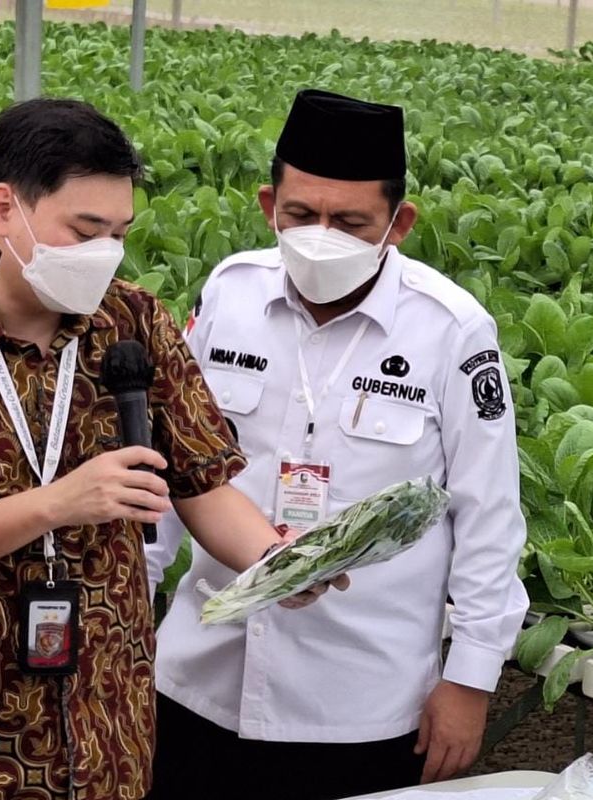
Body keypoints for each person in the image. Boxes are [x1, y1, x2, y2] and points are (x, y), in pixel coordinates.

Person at [0, 98, 343, 800]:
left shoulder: (132, 319)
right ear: (3, 208)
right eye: (85, 230)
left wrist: (278, 563)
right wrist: (60, 504)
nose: (104, 255)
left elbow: (201, 484)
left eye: (118, 234)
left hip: (105, 696)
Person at [145, 89, 530, 800]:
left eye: (351, 223)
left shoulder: (452, 332)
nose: (321, 235)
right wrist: (131, 612)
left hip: (357, 708)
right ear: (269, 206)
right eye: (300, 215)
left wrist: (470, 679)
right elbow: (173, 469)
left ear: (399, 223)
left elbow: (487, 516)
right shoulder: (231, 294)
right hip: (197, 682)